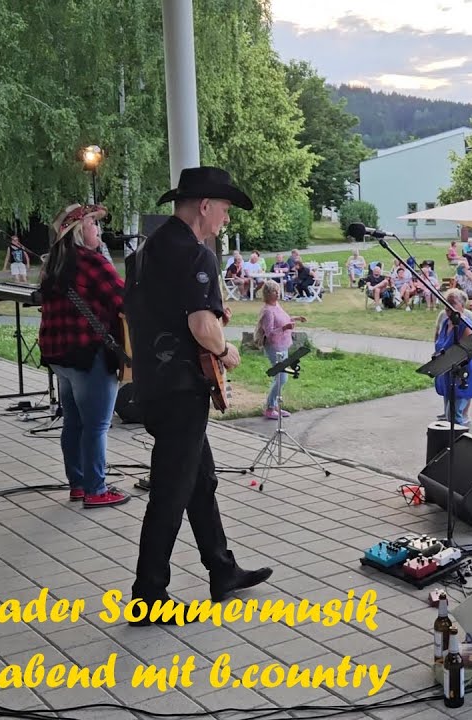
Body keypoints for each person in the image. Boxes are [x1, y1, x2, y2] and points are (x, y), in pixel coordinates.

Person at [123, 166, 272, 621]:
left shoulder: (146, 252)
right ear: (204, 205)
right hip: (182, 389)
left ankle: (221, 569)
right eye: (224, 209)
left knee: (200, 481)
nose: (225, 219)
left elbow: (156, 313)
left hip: (151, 382)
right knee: (170, 492)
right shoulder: (195, 254)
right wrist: (225, 350)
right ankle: (148, 596)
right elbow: (199, 324)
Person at [36, 202, 129, 508]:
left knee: (73, 421)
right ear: (78, 230)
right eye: (93, 224)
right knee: (97, 425)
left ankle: (78, 484)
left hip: (59, 355)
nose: (98, 230)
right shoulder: (91, 262)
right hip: (88, 354)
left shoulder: (53, 265)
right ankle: (96, 490)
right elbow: (123, 300)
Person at [257, 280, 307, 420]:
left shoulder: (276, 306)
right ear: (268, 294)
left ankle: (275, 405)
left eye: (278, 291)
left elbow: (282, 319)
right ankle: (270, 408)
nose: (277, 294)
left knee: (281, 377)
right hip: (274, 346)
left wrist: (295, 318)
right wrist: (285, 328)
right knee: (281, 377)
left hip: (283, 344)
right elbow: (269, 332)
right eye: (274, 291)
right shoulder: (267, 311)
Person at [433, 288, 472, 425]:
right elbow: (440, 344)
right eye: (447, 303)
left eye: (452, 303)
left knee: (454, 415)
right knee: (449, 415)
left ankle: (459, 442)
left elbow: (466, 350)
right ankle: (450, 442)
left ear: (462, 305)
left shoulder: (465, 324)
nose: (448, 307)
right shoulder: (445, 322)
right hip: (447, 371)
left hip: (462, 372)